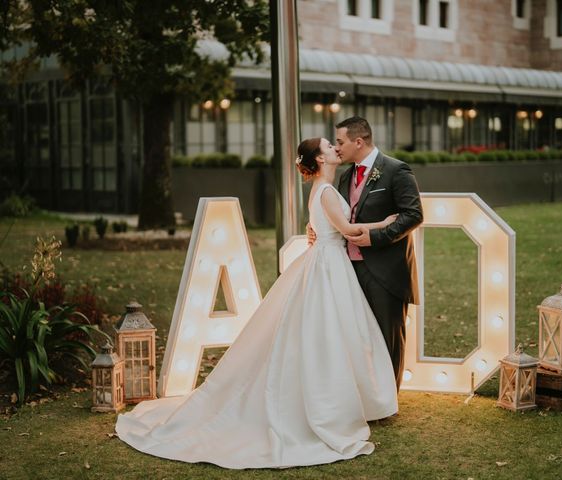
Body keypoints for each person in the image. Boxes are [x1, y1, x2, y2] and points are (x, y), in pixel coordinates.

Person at [115, 137, 398, 469]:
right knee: (328, 333)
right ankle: (330, 405)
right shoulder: (324, 191)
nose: (336, 149)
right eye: (328, 146)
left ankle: (347, 400)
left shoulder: (321, 190)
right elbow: (348, 229)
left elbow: (324, 227)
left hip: (326, 263)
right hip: (327, 265)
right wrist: (386, 223)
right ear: (319, 159)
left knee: (329, 333)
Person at [310, 116, 423, 391]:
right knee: (359, 336)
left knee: (388, 336)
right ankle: (367, 394)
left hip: (387, 270)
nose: (337, 148)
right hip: (349, 269)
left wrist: (376, 237)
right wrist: (313, 226)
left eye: (340, 142)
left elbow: (414, 215)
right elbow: (337, 215)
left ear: (358, 142)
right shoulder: (346, 176)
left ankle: (389, 398)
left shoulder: (396, 170)